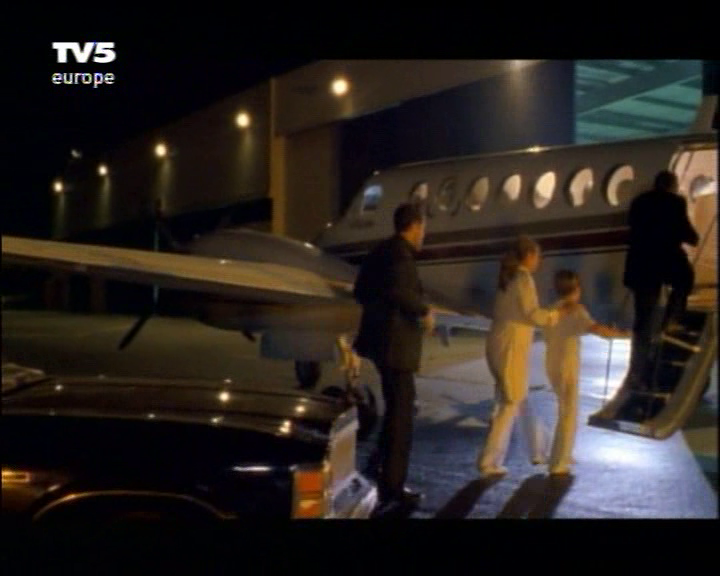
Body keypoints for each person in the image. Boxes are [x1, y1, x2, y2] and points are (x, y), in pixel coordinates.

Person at [352, 202, 434, 510]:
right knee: (402, 418)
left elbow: (360, 291)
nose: (424, 233)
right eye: (423, 227)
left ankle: (381, 469)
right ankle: (393, 488)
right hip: (397, 348)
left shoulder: (381, 251)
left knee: (394, 412)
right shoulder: (401, 256)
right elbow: (401, 292)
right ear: (414, 226)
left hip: (381, 345)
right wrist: (424, 310)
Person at [477, 235, 567, 478]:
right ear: (528, 255)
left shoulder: (508, 278)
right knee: (509, 405)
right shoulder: (523, 278)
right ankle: (489, 461)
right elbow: (532, 314)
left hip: (499, 344)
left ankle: (540, 450)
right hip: (511, 348)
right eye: (538, 255)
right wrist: (555, 314)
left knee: (518, 399)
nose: (539, 260)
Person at [544, 270, 631, 475]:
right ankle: (558, 463)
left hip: (552, 363)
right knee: (568, 413)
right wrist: (625, 335)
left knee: (565, 410)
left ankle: (563, 455)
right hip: (567, 365)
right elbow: (597, 329)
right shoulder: (576, 310)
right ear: (576, 288)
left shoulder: (551, 309)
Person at [623, 170, 699, 387]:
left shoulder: (639, 202)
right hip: (664, 261)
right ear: (672, 186)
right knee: (685, 280)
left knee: (643, 321)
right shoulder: (675, 202)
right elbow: (686, 232)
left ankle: (638, 371)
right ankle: (671, 321)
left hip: (640, 265)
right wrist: (694, 238)